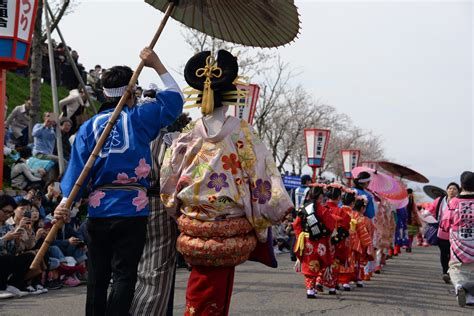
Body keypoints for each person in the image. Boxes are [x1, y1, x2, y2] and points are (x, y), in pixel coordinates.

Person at [160, 50, 293, 315]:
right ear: (232, 94)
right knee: (214, 289)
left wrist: (174, 208)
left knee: (203, 285)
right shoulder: (242, 132)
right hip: (228, 222)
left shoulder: (188, 133)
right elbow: (262, 177)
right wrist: (278, 208)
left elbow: (168, 177)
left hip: (194, 220)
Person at [54, 47, 183, 316]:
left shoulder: (88, 127)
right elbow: (175, 99)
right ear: (132, 92)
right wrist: (157, 64)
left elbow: (78, 171)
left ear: (103, 93)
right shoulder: (138, 118)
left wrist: (66, 203)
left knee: (98, 278)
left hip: (98, 210)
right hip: (132, 210)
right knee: (125, 276)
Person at [130, 113, 191, 316]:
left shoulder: (134, 133)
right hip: (159, 201)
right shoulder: (172, 139)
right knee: (158, 267)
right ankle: (146, 311)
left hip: (130, 201)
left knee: (132, 265)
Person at [293, 184, 334, 298]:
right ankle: (316, 284)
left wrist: (300, 235)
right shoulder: (324, 211)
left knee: (309, 264)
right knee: (320, 263)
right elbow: (330, 227)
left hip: (307, 241)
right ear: (320, 196)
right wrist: (326, 236)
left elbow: (296, 224)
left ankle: (310, 289)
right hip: (320, 241)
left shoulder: (304, 209)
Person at [439, 172, 474, 307]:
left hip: (459, 244)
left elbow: (445, 222)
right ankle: (470, 297)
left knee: (455, 269)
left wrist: (442, 237)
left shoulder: (454, 203)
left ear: (461, 185)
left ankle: (459, 285)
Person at [316, 183, 350, 294]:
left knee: (322, 261)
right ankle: (332, 286)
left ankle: (318, 281)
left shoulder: (322, 208)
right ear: (339, 197)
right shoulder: (341, 212)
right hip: (335, 242)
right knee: (334, 263)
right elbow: (345, 228)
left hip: (321, 240)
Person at [338, 189, 373, 290]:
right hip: (351, 241)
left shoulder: (338, 211)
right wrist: (365, 243)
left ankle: (335, 282)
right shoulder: (356, 215)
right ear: (353, 203)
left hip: (337, 239)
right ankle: (346, 282)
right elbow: (361, 231)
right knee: (349, 260)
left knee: (337, 260)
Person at [426, 182, 459, 283]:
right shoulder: (439, 200)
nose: (452, 190)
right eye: (450, 188)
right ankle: (445, 272)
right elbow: (430, 210)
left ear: (458, 192)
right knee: (444, 253)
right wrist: (427, 216)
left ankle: (451, 272)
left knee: (452, 254)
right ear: (446, 190)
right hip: (442, 232)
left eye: (454, 189)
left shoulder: (459, 202)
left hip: (455, 233)